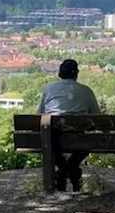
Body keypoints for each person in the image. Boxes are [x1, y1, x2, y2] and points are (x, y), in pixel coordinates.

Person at [39, 59, 99, 192]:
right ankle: (71, 170)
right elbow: (98, 118)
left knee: (51, 144)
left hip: (52, 138)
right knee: (86, 142)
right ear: (76, 73)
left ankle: (63, 172)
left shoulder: (49, 88)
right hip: (78, 139)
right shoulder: (86, 91)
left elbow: (40, 114)